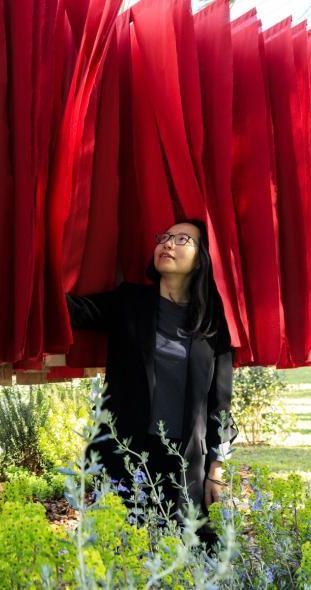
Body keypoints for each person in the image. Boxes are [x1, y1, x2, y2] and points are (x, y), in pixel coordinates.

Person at [64, 219, 237, 546]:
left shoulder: (214, 320)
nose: (167, 244)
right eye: (164, 237)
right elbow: (72, 311)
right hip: (126, 453)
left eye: (182, 239)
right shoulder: (129, 302)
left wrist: (217, 469)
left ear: (200, 258)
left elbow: (220, 405)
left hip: (184, 462)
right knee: (123, 550)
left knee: (189, 555)